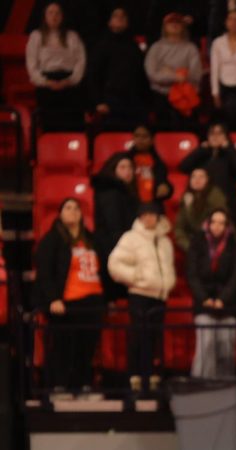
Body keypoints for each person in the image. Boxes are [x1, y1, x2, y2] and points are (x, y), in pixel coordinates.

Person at [35, 199, 105, 393]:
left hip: (92, 301)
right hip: (67, 302)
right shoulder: (52, 240)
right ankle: (59, 386)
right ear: (60, 214)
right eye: (68, 207)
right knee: (63, 347)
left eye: (76, 208)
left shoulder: (91, 239)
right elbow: (45, 273)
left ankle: (84, 386)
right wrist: (52, 298)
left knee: (87, 347)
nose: (73, 211)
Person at [107, 202, 175, 393]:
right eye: (144, 215)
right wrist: (136, 277)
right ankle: (135, 378)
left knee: (155, 338)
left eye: (152, 214)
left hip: (160, 296)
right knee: (138, 337)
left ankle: (153, 378)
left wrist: (167, 283)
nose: (149, 218)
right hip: (140, 295)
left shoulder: (165, 241)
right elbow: (114, 263)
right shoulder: (131, 238)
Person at [186, 208, 236, 378]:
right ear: (208, 224)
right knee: (206, 344)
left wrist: (223, 300)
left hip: (228, 305)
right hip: (203, 304)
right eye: (214, 222)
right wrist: (204, 298)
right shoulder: (197, 242)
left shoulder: (234, 244)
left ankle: (225, 386)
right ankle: (201, 384)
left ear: (227, 226)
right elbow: (191, 273)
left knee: (226, 345)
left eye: (221, 223)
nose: (217, 226)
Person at [25, 2, 87, 131]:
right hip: (46, 84)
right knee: (50, 126)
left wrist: (70, 81)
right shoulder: (36, 36)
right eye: (51, 13)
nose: (54, 16)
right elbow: (31, 65)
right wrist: (45, 82)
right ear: (45, 16)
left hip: (69, 83)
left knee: (72, 126)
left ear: (62, 16)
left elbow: (81, 61)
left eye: (57, 13)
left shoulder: (72, 36)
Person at [87, 7, 151, 129]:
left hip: (133, 103)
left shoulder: (134, 47)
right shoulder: (101, 46)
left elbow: (141, 76)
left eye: (123, 17)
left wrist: (145, 103)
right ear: (109, 22)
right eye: (116, 16)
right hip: (110, 101)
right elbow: (93, 75)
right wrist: (98, 101)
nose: (120, 19)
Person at [179, 123, 236, 227]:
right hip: (203, 203)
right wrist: (201, 149)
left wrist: (228, 147)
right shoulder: (202, 155)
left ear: (226, 136)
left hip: (227, 202)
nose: (215, 137)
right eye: (212, 133)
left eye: (219, 133)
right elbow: (183, 167)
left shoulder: (230, 154)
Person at [90, 154, 140, 300]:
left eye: (130, 167)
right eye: (123, 167)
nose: (128, 171)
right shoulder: (111, 193)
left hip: (118, 246)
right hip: (112, 248)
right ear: (113, 170)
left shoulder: (123, 191)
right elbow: (114, 227)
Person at [144, 13, 203, 127]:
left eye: (178, 22)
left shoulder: (191, 48)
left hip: (185, 96)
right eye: (171, 22)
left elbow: (196, 75)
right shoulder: (156, 47)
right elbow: (152, 74)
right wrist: (176, 76)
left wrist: (168, 72)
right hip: (161, 96)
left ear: (183, 27)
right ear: (164, 27)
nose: (174, 25)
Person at [174, 168, 228, 255]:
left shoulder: (216, 197)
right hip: (193, 247)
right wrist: (189, 247)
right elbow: (179, 228)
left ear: (208, 179)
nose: (197, 180)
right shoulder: (187, 197)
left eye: (201, 177)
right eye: (193, 177)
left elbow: (221, 226)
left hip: (214, 249)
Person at [124, 125, 174, 206]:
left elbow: (164, 183)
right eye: (137, 136)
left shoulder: (159, 163)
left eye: (144, 136)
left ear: (152, 140)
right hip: (128, 205)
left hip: (151, 207)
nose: (140, 140)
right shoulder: (123, 159)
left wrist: (167, 188)